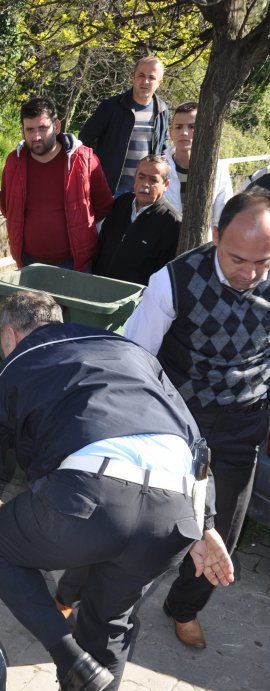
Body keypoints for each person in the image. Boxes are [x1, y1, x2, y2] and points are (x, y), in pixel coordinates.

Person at [0, 291, 234, 691]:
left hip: (95, 495)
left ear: (9, 334)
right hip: (173, 511)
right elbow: (194, 437)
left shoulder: (20, 360)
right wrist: (205, 524)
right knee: (112, 623)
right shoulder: (132, 353)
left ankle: (71, 663)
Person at [124, 188, 270, 648]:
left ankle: (183, 606)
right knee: (141, 522)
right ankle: (97, 598)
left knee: (223, 529)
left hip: (242, 426)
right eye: (237, 259)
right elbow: (134, 356)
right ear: (214, 235)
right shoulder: (172, 281)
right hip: (176, 424)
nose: (249, 273)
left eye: (262, 263)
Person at [0, 95, 113, 271]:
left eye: (42, 128)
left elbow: (103, 205)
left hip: (75, 264)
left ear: (57, 126)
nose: (36, 136)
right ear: (22, 131)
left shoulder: (84, 159)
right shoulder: (14, 161)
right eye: (30, 130)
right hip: (28, 263)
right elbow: (6, 206)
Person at [79, 56, 168, 196]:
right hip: (110, 190)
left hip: (143, 193)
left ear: (159, 82)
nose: (145, 81)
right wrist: (94, 172)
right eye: (141, 75)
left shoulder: (162, 110)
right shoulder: (111, 106)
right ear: (133, 76)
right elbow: (84, 140)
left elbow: (162, 149)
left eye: (151, 77)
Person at [93, 155, 181, 286]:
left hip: (136, 300)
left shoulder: (172, 222)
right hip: (99, 287)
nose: (145, 184)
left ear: (166, 185)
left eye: (153, 180)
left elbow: (165, 274)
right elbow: (102, 243)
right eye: (141, 177)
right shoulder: (120, 204)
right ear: (135, 178)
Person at [162, 101, 233, 232]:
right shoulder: (159, 167)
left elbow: (223, 218)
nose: (184, 132)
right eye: (178, 127)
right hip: (162, 247)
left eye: (192, 127)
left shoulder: (218, 169)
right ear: (171, 133)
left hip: (201, 247)